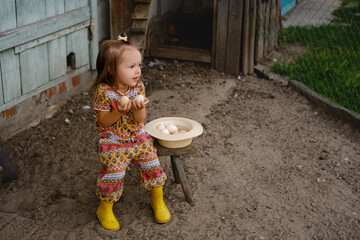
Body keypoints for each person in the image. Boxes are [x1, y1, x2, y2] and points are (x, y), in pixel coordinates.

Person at [92, 34, 171, 231]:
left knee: (152, 164)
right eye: (131, 66)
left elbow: (140, 119)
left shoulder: (138, 87)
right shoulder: (103, 92)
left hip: (137, 136)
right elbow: (104, 121)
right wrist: (118, 111)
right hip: (114, 139)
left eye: (139, 65)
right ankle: (105, 208)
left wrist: (137, 107)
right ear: (111, 69)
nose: (137, 71)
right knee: (115, 172)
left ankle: (157, 201)